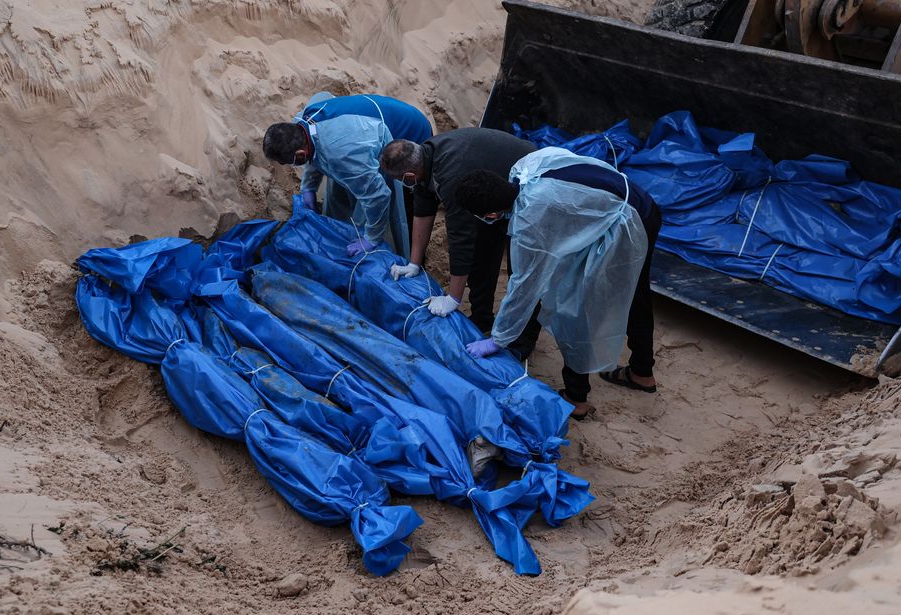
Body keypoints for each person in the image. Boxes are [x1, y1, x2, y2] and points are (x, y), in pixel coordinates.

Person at [454, 147, 662, 419]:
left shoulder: (531, 220)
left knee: (573, 303)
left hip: (627, 221)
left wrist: (498, 338)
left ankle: (577, 399)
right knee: (635, 293)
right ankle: (642, 371)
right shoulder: (523, 167)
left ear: (491, 214)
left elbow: (524, 285)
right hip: (635, 199)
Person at [379, 127, 540, 358]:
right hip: (489, 181)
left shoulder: (451, 176)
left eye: (398, 180)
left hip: (526, 181)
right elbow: (422, 212)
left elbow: (460, 239)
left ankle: (522, 340)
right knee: (483, 250)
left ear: (410, 175)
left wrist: (453, 298)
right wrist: (413, 264)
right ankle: (482, 317)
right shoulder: (425, 157)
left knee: (523, 268)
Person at [263, 93, 431, 258]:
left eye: (289, 162)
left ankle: (413, 260)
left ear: (300, 154)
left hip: (409, 134)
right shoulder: (301, 125)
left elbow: (378, 196)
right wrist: (309, 187)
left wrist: (371, 239)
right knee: (351, 185)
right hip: (368, 126)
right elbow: (313, 151)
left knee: (405, 208)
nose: (289, 165)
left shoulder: (345, 153)